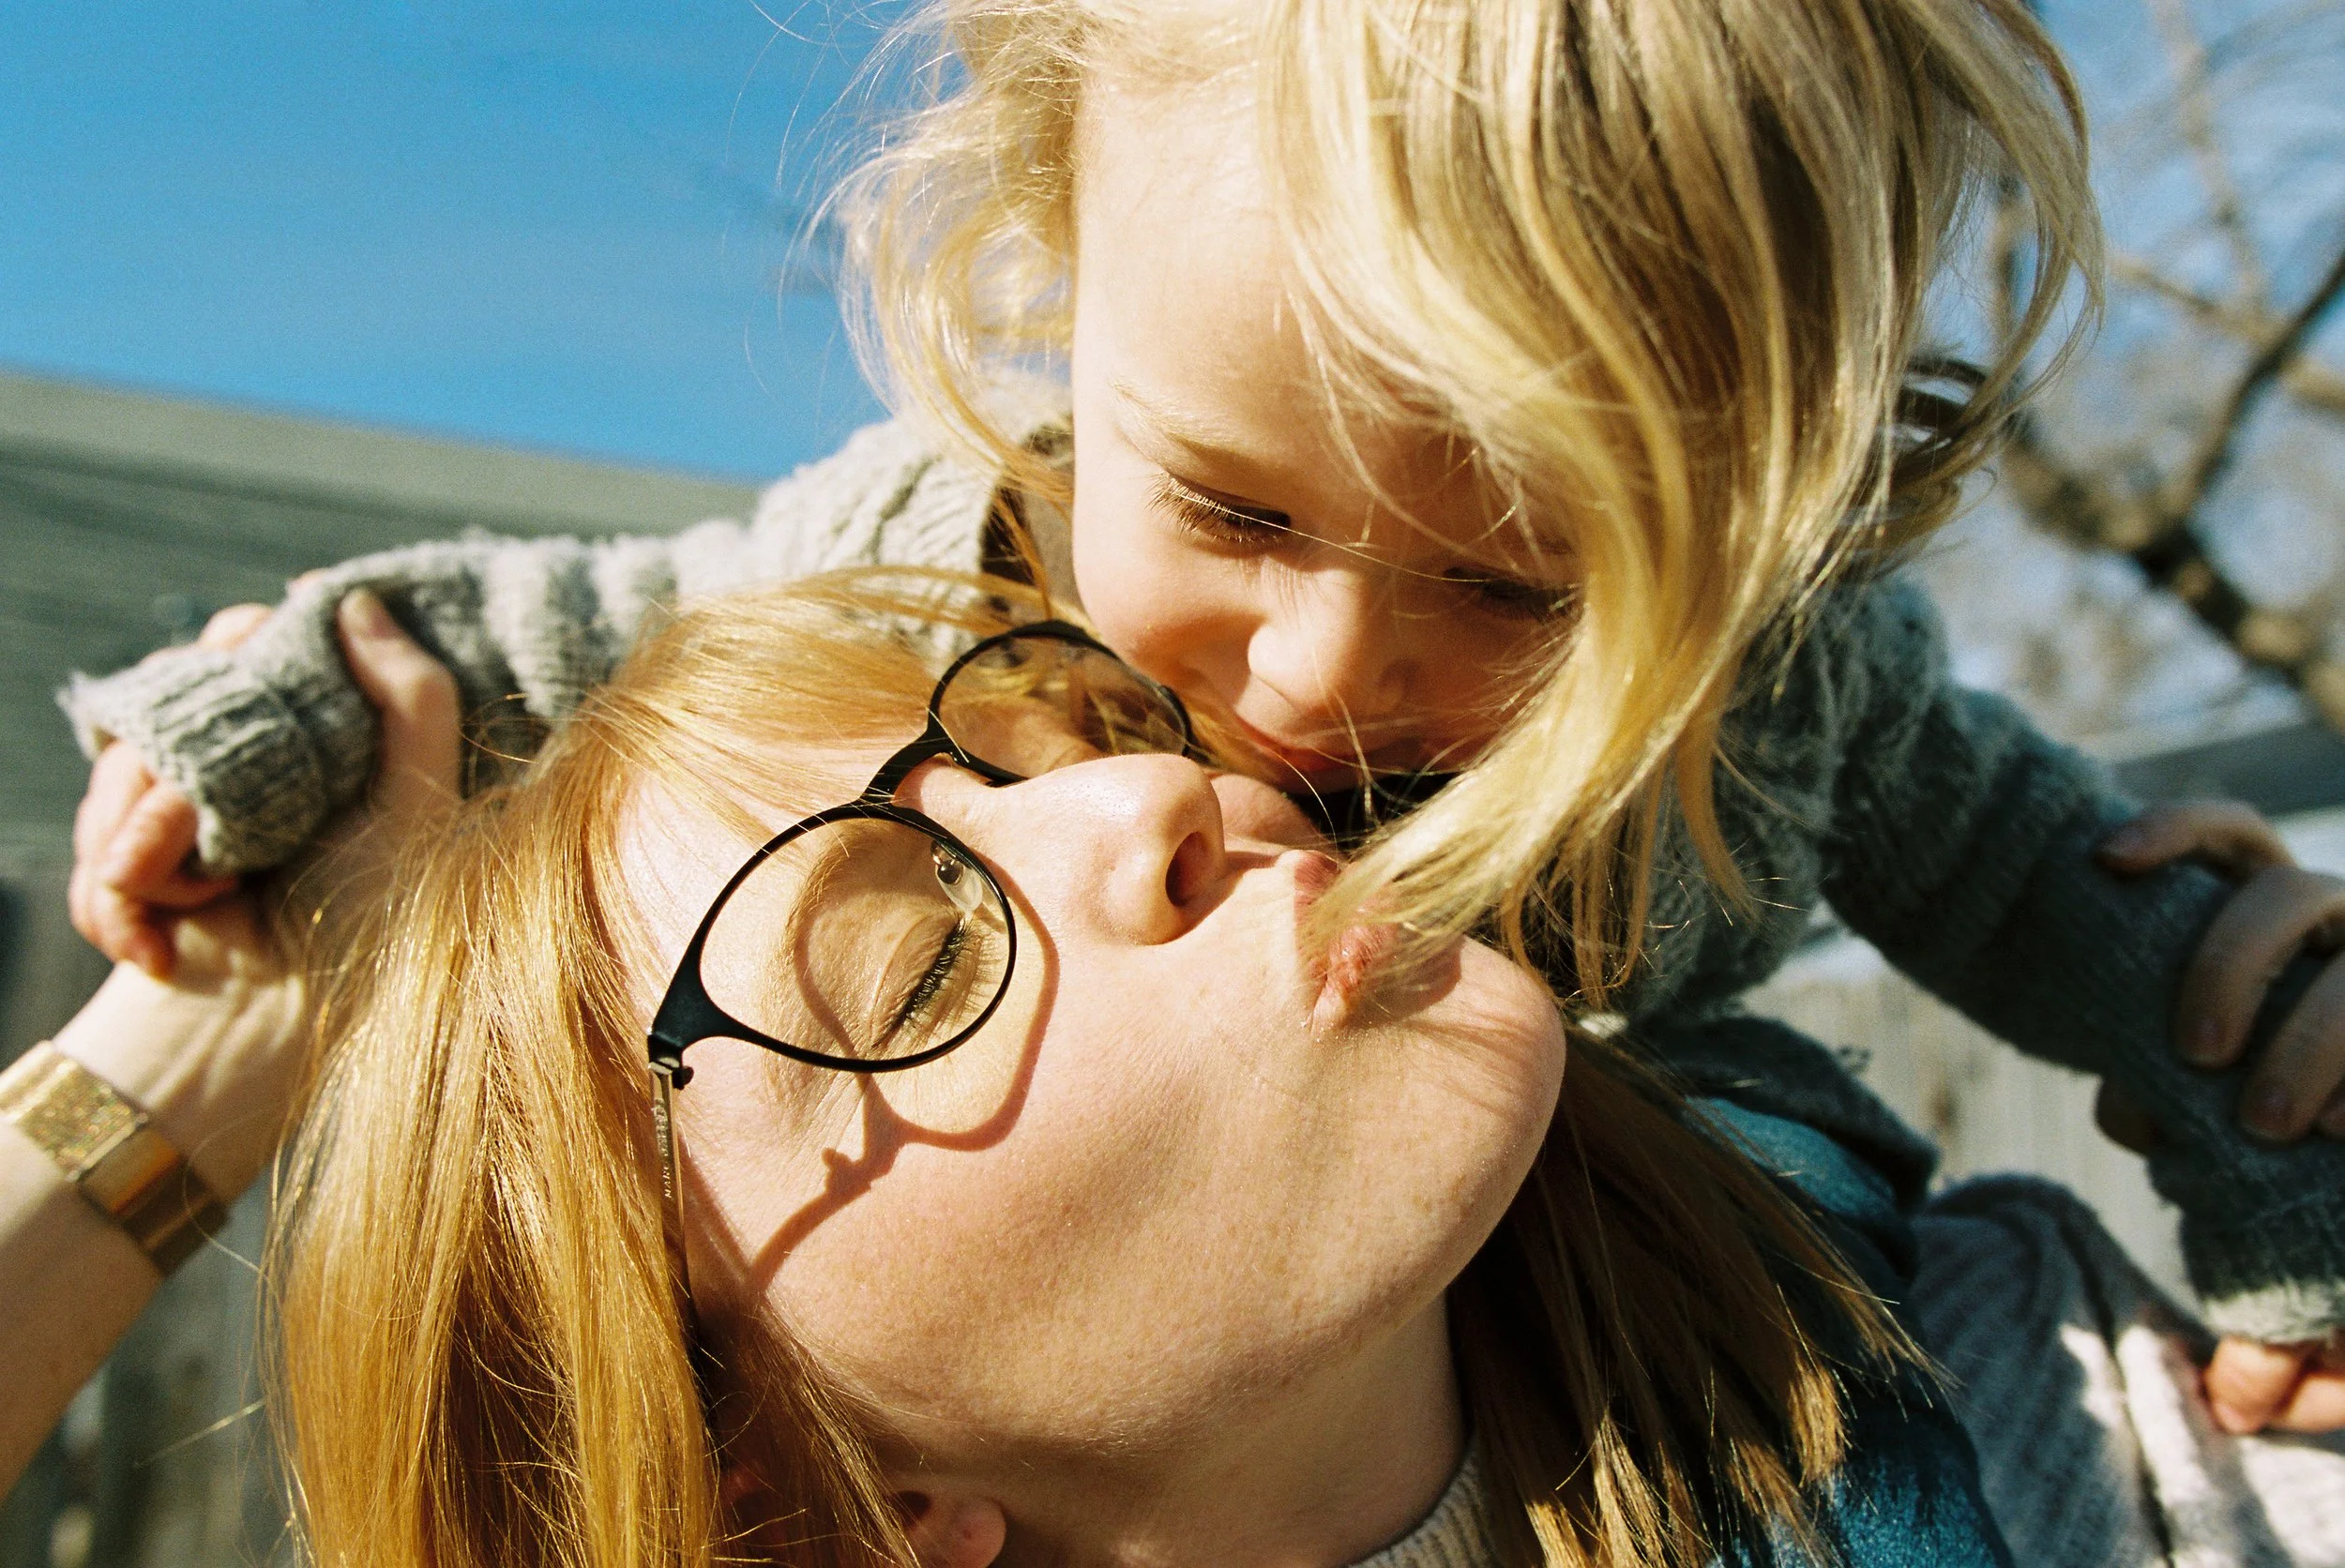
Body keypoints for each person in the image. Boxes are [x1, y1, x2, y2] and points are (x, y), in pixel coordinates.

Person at [56, 0, 2345, 1432]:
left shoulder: (1784, 700)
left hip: (1658, 1300)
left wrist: (2283, 1201)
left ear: (1767, 507)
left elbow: (2094, 900)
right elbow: (533, 628)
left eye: (1517, 577)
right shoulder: (929, 551)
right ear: (1051, 258)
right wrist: (268, 727)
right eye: (1231, 504)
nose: (1330, 670)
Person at [13, 577, 2344, 1564]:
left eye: (1049, 744)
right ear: (777, 1502)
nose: (1149, 799)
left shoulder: (2061, 1417)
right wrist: (192, 1057)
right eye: (910, 938)